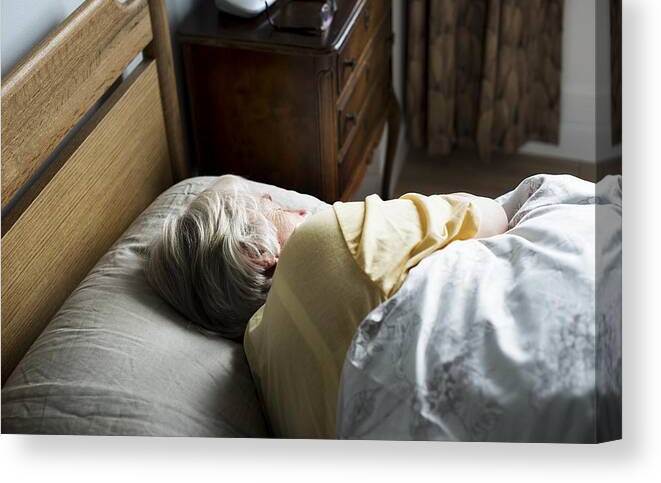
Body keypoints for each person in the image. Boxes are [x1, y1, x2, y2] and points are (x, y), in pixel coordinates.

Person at [145, 175, 508, 438]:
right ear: (256, 255)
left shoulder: (261, 363)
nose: (296, 207)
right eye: (271, 206)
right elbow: (490, 217)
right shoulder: (316, 242)